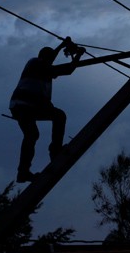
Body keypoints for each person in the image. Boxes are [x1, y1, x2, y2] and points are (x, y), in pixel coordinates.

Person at [9, 37, 85, 183]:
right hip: (24, 105)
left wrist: (62, 44)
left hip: (23, 106)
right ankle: (55, 151)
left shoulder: (42, 66)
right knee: (58, 116)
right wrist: (79, 55)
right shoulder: (36, 63)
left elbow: (50, 58)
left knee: (32, 135)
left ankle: (23, 172)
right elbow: (68, 70)